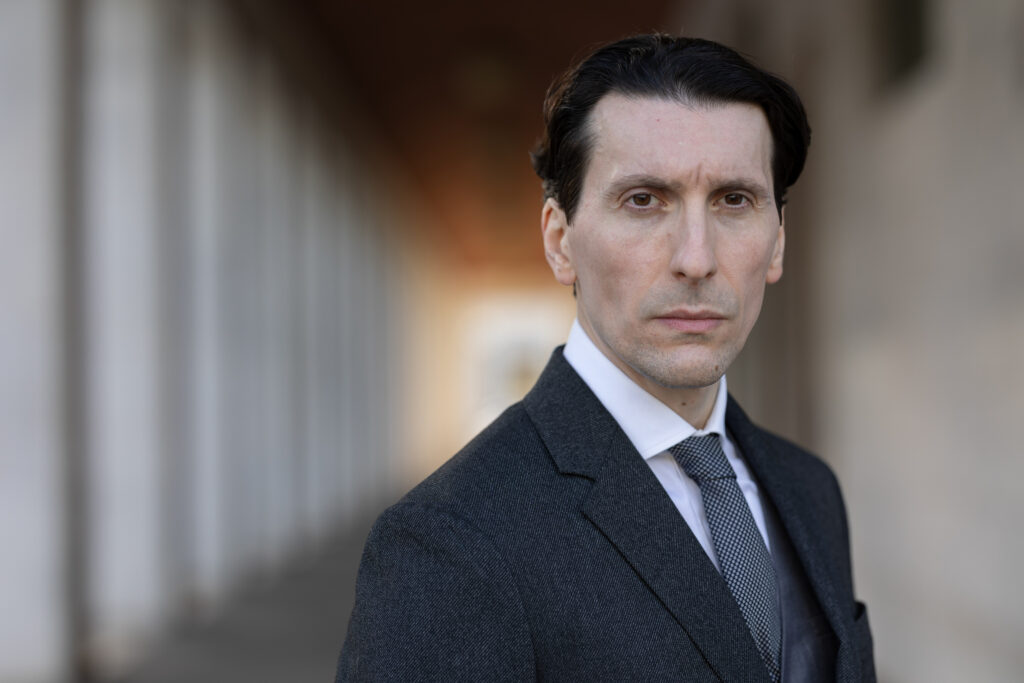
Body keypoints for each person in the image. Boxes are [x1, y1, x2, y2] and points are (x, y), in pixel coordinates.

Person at [336, 34, 875, 682]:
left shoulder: (810, 490)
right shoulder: (448, 542)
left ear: (778, 243)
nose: (696, 259)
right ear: (559, 241)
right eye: (644, 200)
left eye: (734, 200)